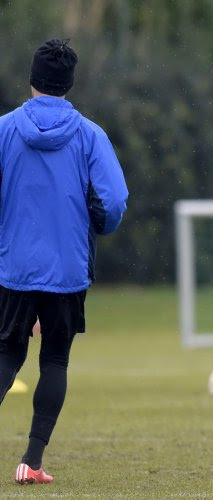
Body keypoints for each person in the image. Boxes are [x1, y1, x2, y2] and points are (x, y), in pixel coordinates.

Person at [0, 39, 128, 484]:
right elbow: (113, 201)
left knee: (6, 353)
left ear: (31, 79)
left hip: (12, 267)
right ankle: (32, 462)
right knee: (54, 361)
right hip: (67, 269)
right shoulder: (90, 134)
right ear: (69, 84)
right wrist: (98, 223)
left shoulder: (4, 129)